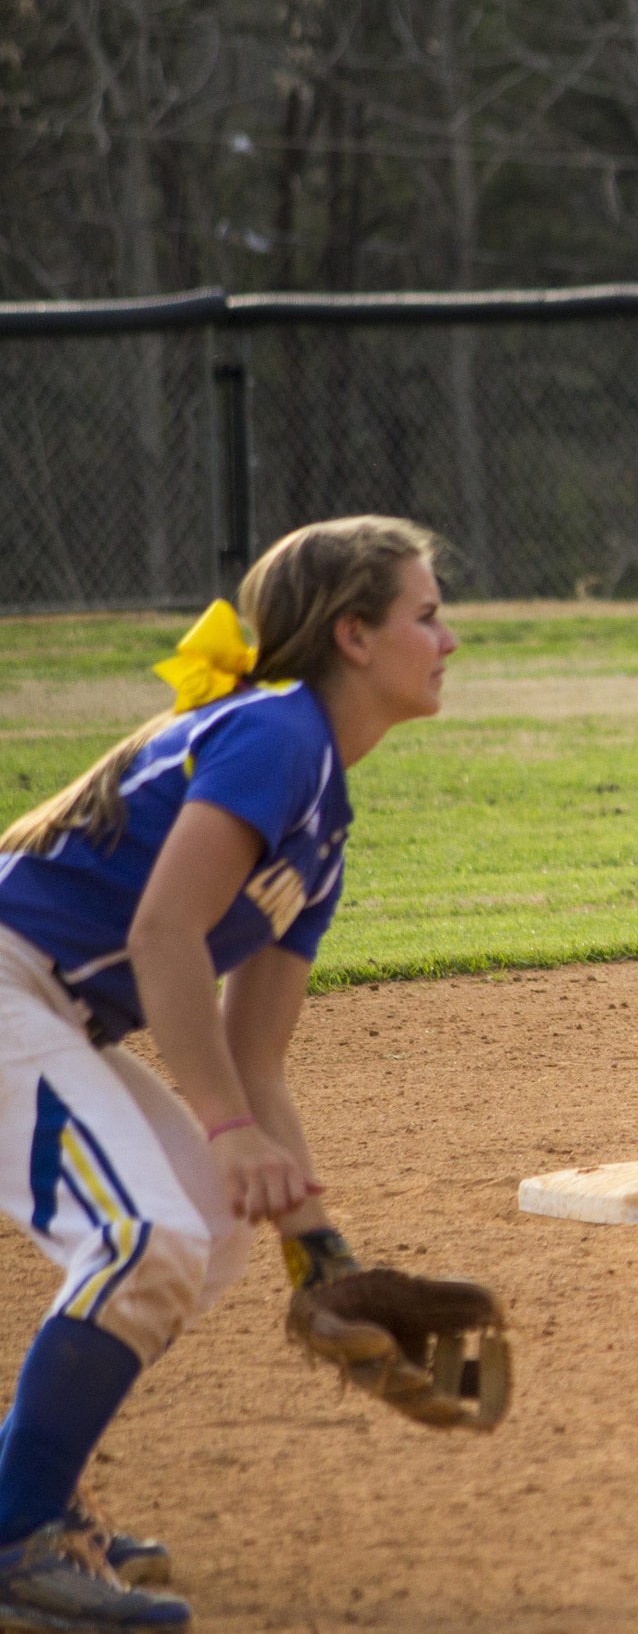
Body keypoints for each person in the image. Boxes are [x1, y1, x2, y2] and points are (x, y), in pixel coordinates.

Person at [0, 517, 457, 1632]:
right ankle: (15, 1540)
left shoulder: (324, 827)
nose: (450, 637)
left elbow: (257, 1058)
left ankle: (35, 1494)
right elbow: (164, 935)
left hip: (48, 1003)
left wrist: (320, 1247)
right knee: (143, 1233)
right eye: (427, 614)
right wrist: (223, 1125)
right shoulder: (276, 734)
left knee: (210, 1222)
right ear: (354, 634)